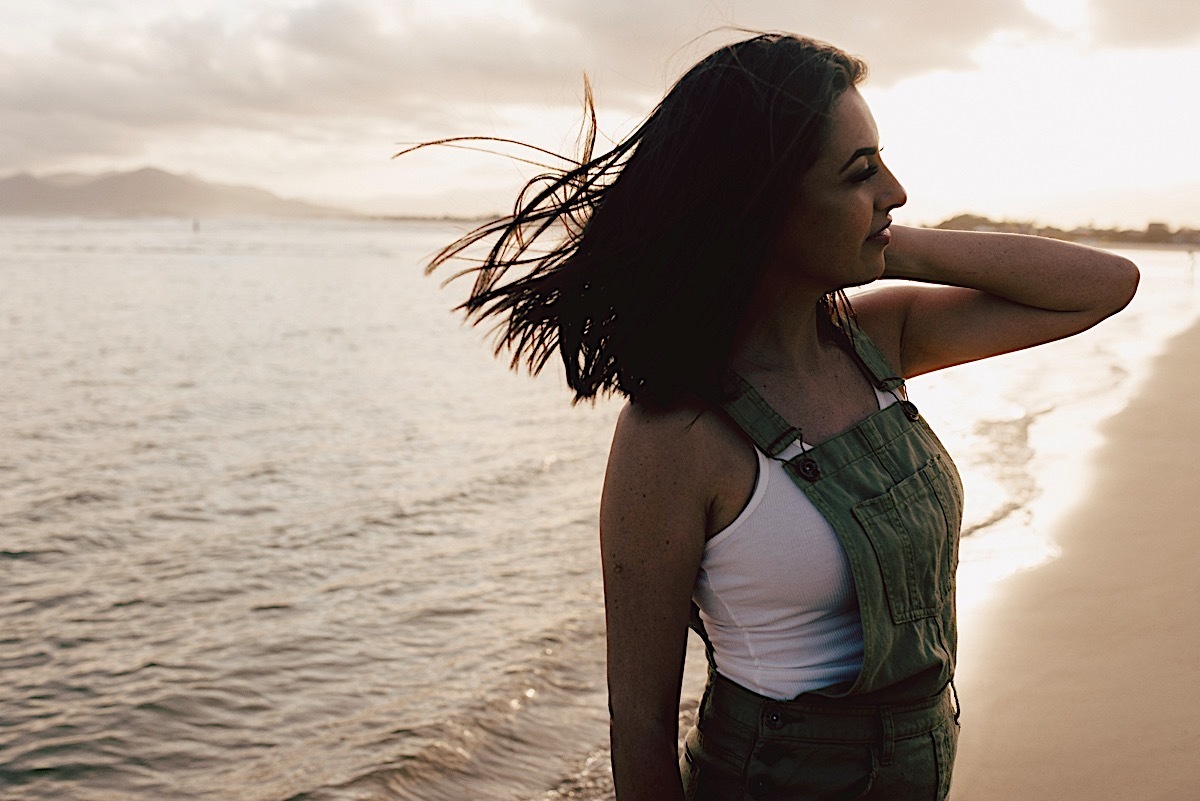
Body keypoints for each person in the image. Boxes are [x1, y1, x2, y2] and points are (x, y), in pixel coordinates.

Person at [411, 32, 1138, 801]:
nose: (895, 189)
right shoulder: (674, 436)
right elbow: (639, 721)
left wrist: (884, 238)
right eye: (861, 173)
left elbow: (1103, 285)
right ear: (761, 206)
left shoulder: (875, 343)